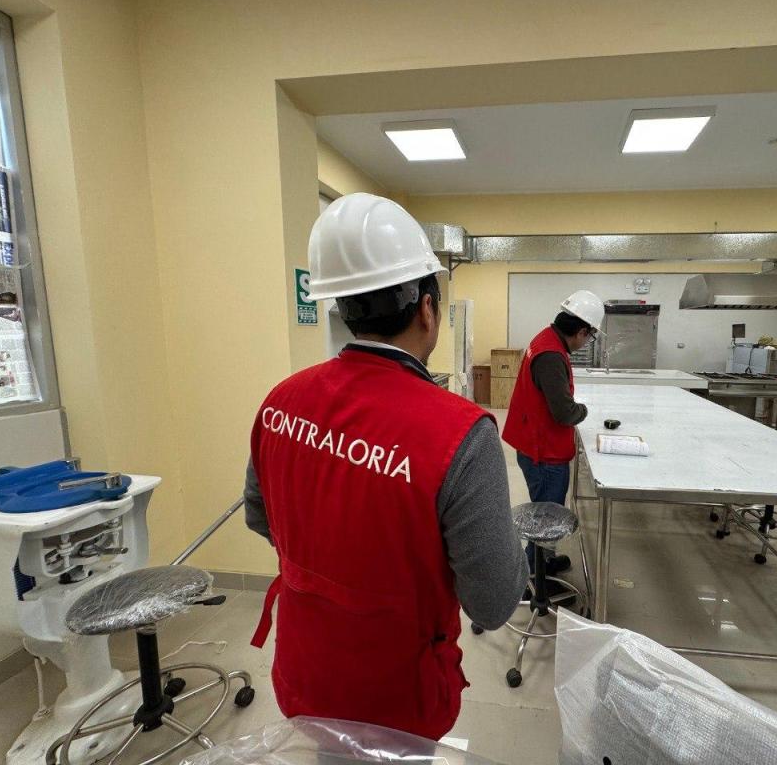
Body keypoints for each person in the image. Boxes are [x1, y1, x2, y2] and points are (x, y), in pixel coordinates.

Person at [243, 193, 527, 741]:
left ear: (343, 307)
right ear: (427, 309)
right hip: (400, 699)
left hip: (305, 672)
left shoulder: (281, 401)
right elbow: (493, 603)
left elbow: (260, 517)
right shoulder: (460, 433)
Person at [502, 290, 605, 573]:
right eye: (589, 336)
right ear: (582, 331)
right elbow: (564, 412)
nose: (586, 342)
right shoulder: (551, 355)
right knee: (545, 519)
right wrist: (584, 410)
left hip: (535, 443)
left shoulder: (547, 338)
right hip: (543, 453)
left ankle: (543, 561)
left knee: (544, 514)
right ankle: (536, 574)